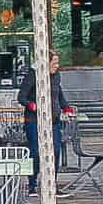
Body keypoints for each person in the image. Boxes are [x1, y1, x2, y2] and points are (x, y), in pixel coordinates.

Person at [18, 54, 74, 194]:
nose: (57, 66)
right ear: (45, 63)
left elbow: (59, 94)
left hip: (53, 121)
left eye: (57, 63)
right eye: (54, 63)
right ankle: (32, 184)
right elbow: (21, 97)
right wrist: (32, 105)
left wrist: (66, 108)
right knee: (36, 153)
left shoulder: (56, 76)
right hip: (34, 121)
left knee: (55, 151)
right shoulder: (33, 75)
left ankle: (51, 184)